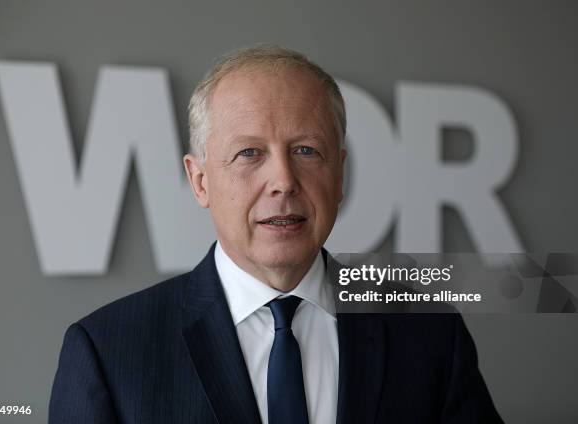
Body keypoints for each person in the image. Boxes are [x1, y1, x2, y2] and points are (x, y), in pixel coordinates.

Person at [49, 45, 504, 424]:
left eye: (306, 150)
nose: (284, 180)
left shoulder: (429, 334)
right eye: (249, 153)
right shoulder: (108, 352)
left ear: (340, 174)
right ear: (201, 181)